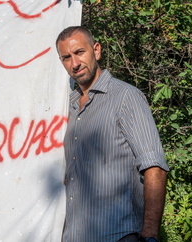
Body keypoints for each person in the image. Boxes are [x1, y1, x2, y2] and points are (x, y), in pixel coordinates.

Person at [56, 26, 169, 242]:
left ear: (96, 50)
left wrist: (150, 236)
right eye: (66, 57)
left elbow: (155, 168)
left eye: (80, 52)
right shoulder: (68, 107)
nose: (75, 63)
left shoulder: (126, 97)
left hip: (118, 235)